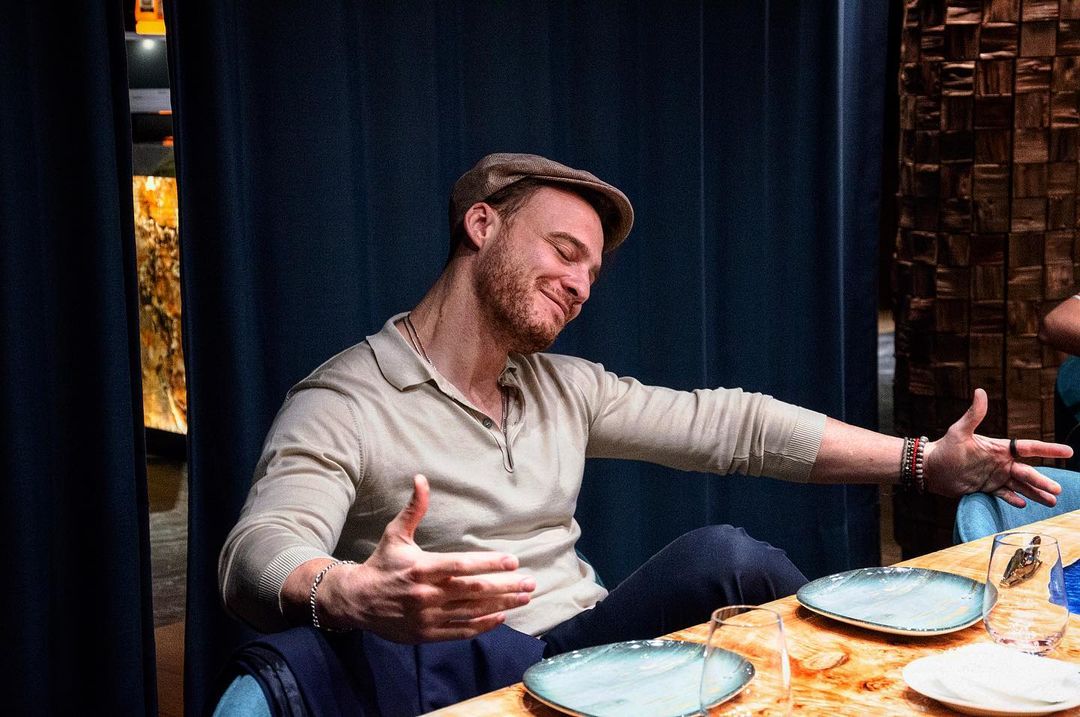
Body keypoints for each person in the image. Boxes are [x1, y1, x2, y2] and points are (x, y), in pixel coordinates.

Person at [220, 153, 1069, 657]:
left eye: (592, 271)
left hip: (583, 651)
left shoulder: (560, 385)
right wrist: (346, 590)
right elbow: (258, 547)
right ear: (482, 226)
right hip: (467, 674)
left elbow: (736, 426)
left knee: (725, 566)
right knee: (721, 556)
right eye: (564, 251)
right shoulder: (348, 395)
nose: (581, 284)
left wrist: (923, 461)